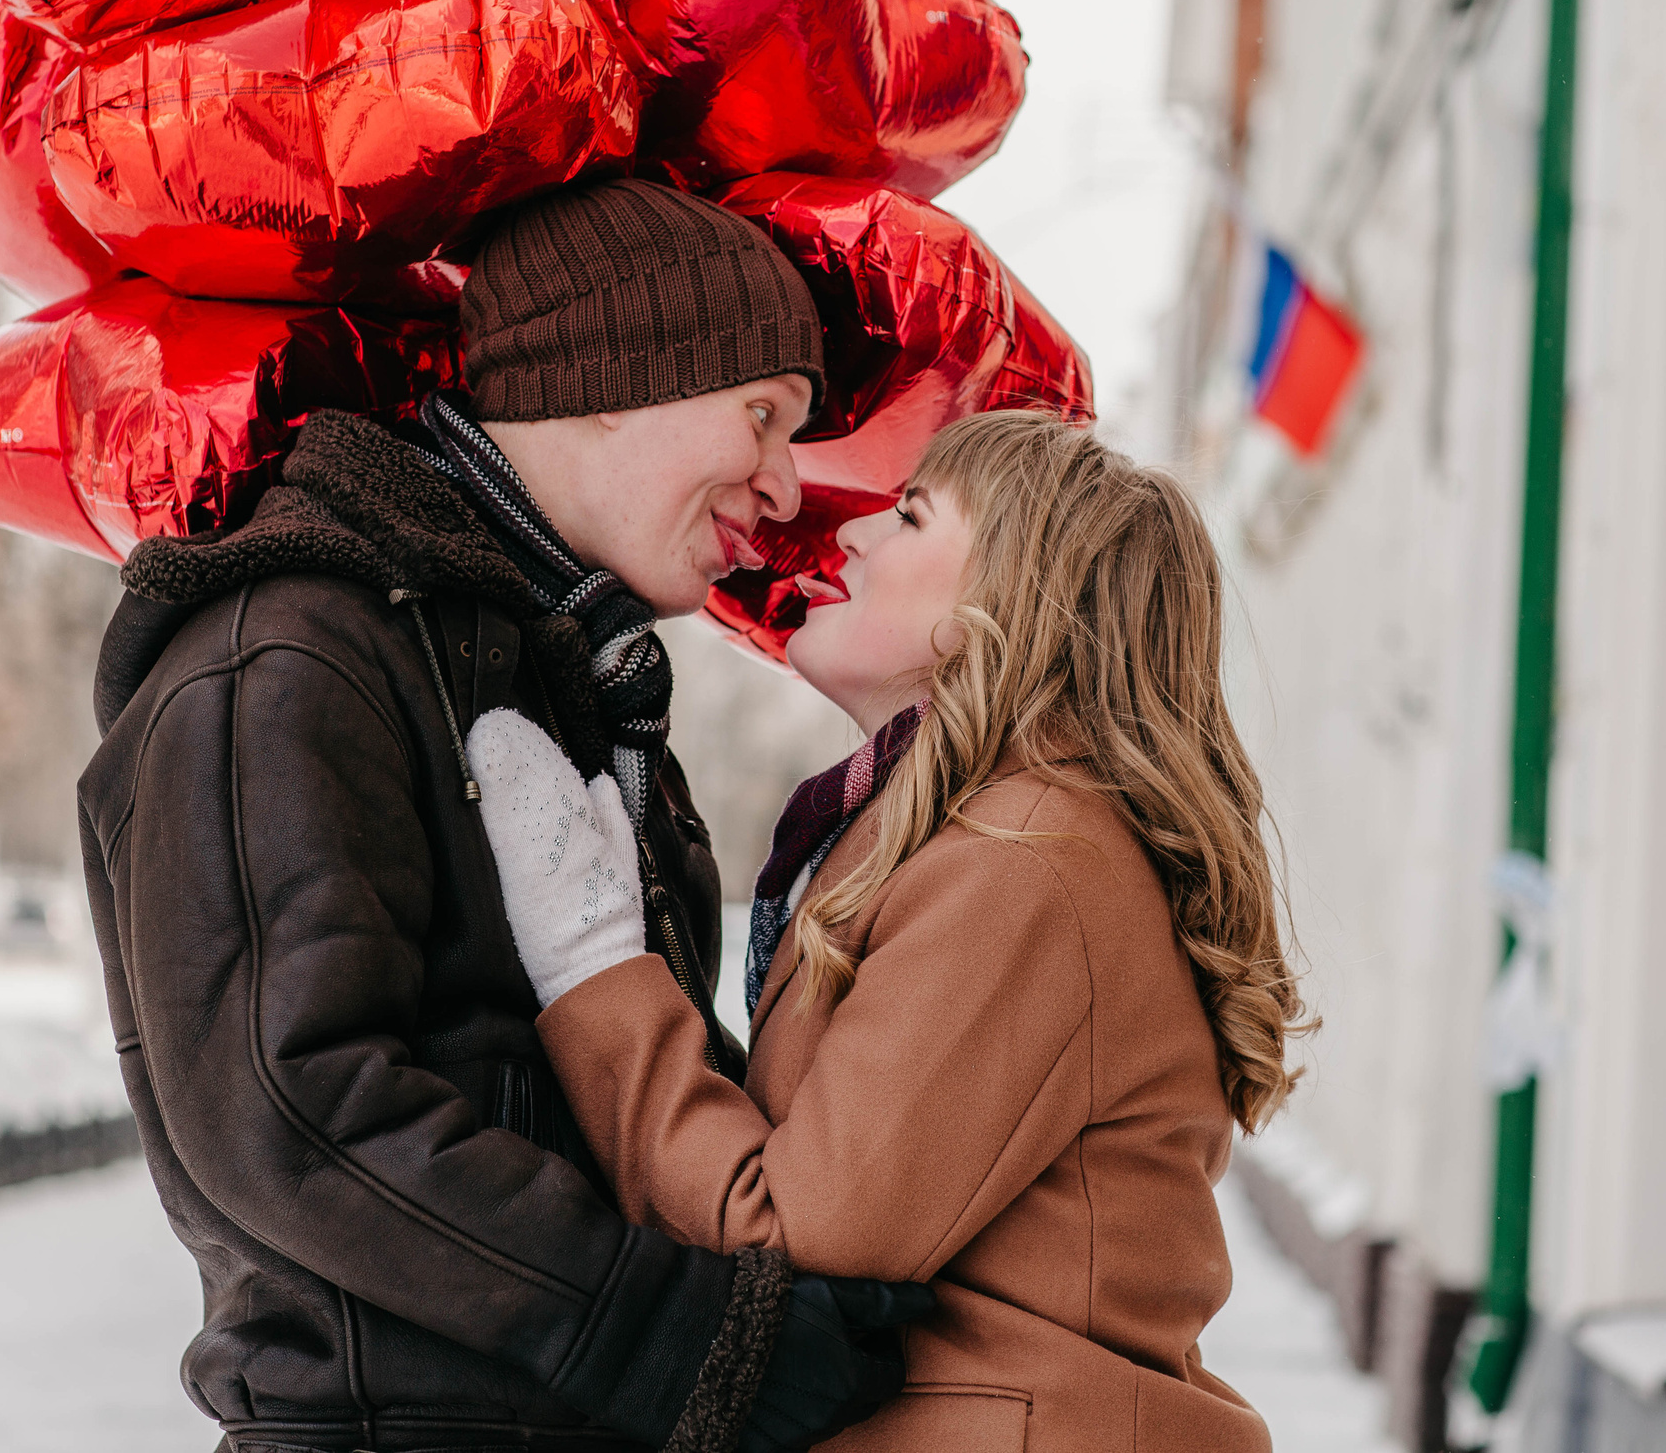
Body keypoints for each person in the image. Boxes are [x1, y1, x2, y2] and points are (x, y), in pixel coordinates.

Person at [78, 179, 929, 1453]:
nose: (778, 488)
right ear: (612, 375)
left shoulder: (567, 688)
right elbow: (292, 1109)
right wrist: (678, 1339)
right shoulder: (290, 655)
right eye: (760, 416)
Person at [476, 409, 1313, 1453]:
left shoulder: (1026, 862)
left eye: (910, 516)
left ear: (1012, 599)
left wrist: (594, 962)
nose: (853, 534)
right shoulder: (978, 841)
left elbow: (792, 1234)